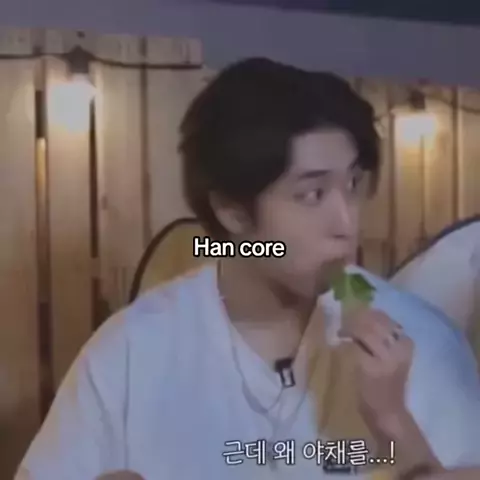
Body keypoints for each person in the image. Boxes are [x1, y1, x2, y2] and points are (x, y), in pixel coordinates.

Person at [15, 58, 480, 479]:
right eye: (312, 194)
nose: (347, 224)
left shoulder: (424, 345)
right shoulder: (130, 353)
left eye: (353, 184)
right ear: (232, 212)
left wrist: (393, 422)